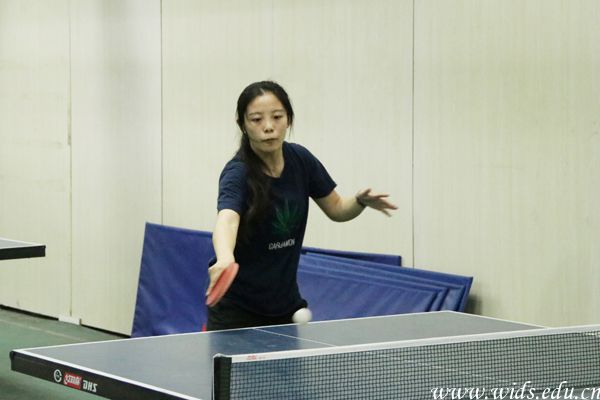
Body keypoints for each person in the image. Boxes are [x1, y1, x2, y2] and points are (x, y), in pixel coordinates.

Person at [206, 80, 397, 331]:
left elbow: (337, 208)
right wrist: (225, 257)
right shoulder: (238, 173)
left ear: (288, 119)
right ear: (242, 124)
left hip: (285, 307)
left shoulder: (301, 160)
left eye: (277, 117)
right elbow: (228, 219)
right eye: (256, 119)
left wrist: (359, 201)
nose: (268, 127)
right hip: (237, 313)